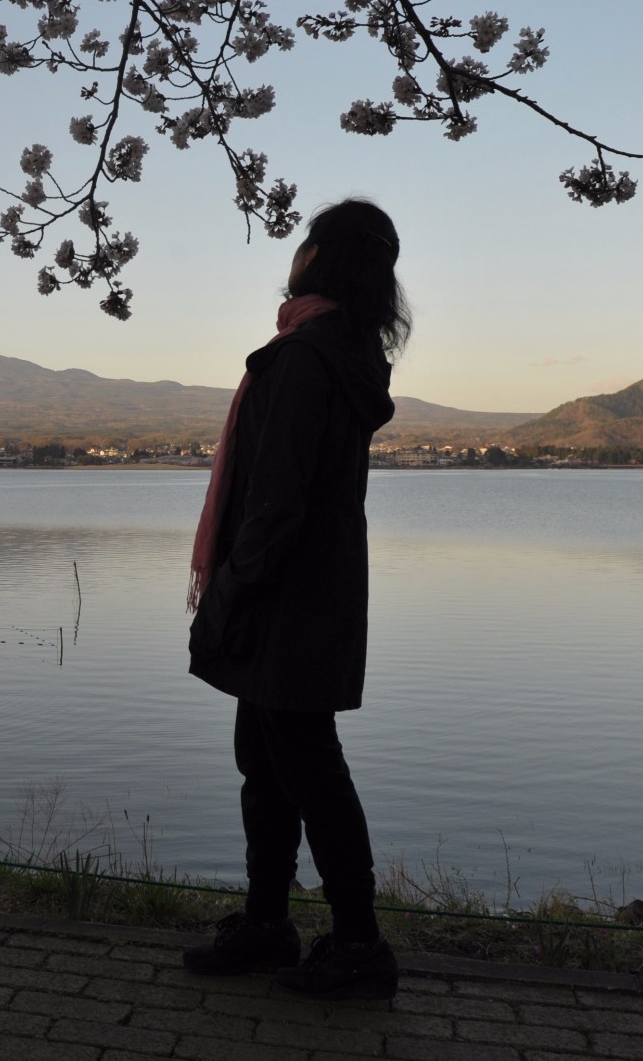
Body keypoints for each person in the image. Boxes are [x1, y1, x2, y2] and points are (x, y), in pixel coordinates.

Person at [182, 198, 408, 1000]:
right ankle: (268, 921)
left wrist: (231, 595)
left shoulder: (305, 360)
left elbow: (275, 503)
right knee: (269, 764)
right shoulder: (343, 355)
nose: (296, 250)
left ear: (322, 258)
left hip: (284, 601)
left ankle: (358, 944)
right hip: (320, 594)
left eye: (307, 241)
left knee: (307, 767)